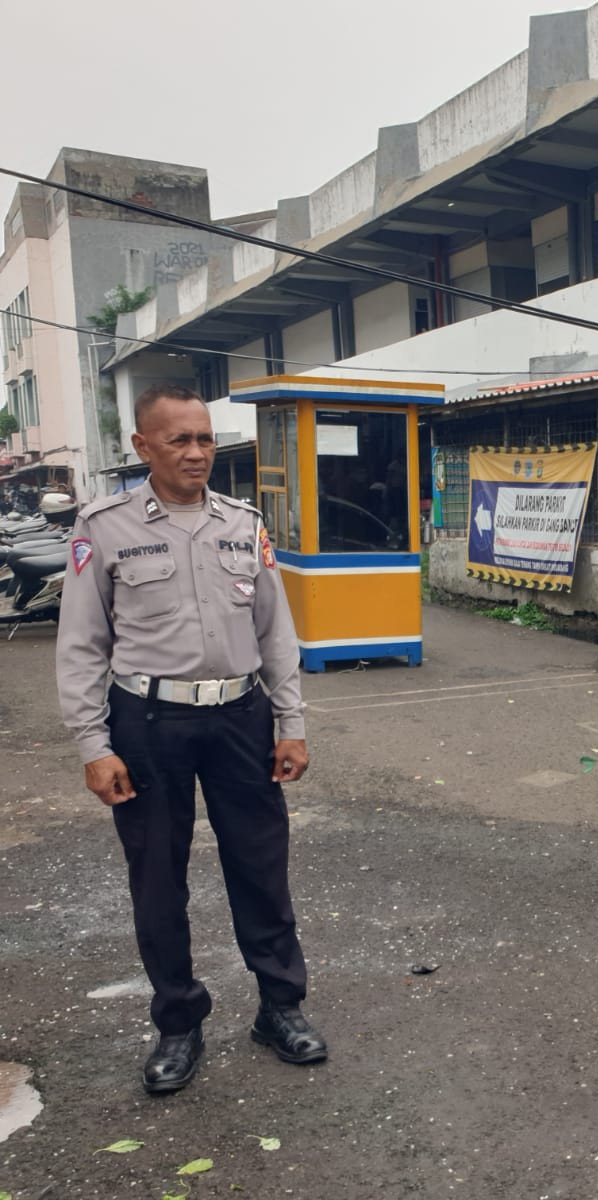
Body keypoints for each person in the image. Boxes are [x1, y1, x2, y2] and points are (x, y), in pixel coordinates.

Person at [56, 383, 326, 1096]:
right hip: (146, 725)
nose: (197, 452)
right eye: (179, 440)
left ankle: (280, 1008)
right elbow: (82, 645)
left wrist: (290, 723)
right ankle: (178, 1022)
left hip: (241, 718)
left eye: (204, 438)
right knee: (156, 878)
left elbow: (276, 632)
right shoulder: (103, 527)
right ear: (143, 447)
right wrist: (93, 744)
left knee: (261, 868)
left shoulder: (243, 523)